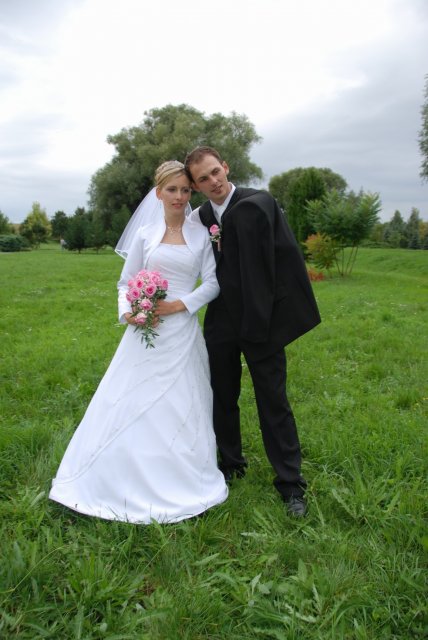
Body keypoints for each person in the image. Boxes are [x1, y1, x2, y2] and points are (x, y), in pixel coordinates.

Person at [49, 161, 228, 524]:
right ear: (158, 192)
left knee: (181, 402)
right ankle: (117, 472)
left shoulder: (201, 234)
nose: (179, 197)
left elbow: (212, 283)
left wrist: (179, 305)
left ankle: (178, 473)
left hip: (181, 331)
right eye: (172, 189)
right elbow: (124, 282)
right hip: (144, 330)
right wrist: (129, 312)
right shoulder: (146, 234)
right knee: (130, 398)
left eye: (185, 190)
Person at [184, 147, 321, 517]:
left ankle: (290, 484)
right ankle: (230, 464)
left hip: (262, 320)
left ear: (226, 167)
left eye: (216, 171)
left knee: (273, 400)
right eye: (203, 178)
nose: (214, 181)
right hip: (221, 321)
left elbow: (287, 259)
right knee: (222, 395)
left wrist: (278, 316)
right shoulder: (201, 218)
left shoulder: (259, 204)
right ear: (196, 186)